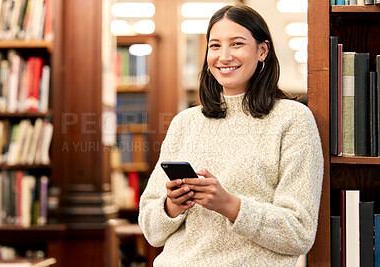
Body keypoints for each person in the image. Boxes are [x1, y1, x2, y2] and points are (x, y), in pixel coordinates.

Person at [138, 4, 323, 266]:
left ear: (262, 51)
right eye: (215, 46)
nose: (223, 56)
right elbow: (151, 232)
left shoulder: (293, 120)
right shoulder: (185, 123)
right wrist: (173, 206)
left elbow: (299, 234)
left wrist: (229, 205)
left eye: (236, 44)